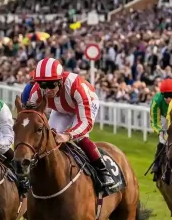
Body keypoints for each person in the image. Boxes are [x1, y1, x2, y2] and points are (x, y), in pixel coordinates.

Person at [19, 57, 115, 195]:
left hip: (85, 105)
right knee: (48, 139)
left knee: (79, 138)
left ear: (60, 81)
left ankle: (102, 171)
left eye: (51, 85)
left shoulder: (76, 87)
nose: (47, 90)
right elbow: (30, 117)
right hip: (61, 110)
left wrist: (68, 135)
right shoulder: (37, 90)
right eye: (42, 85)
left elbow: (85, 122)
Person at [149, 78, 172, 182]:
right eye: (166, 96)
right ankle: (157, 166)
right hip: (163, 117)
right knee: (163, 140)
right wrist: (160, 131)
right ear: (162, 95)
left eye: (171, 96)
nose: (169, 99)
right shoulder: (156, 101)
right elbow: (155, 120)